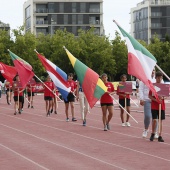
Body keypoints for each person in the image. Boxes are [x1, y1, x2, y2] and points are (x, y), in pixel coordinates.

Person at [139, 69, 158, 138]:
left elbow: (162, 88)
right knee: (147, 116)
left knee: (155, 117)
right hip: (147, 100)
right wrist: (141, 99)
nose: (152, 71)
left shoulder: (158, 79)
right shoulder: (144, 79)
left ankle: (154, 132)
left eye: (154, 70)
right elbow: (141, 89)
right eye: (151, 70)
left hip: (155, 101)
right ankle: (146, 129)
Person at [149, 71, 165, 142]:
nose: (159, 79)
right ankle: (153, 133)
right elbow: (149, 96)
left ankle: (160, 135)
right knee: (155, 120)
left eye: (160, 77)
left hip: (162, 105)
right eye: (158, 77)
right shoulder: (153, 86)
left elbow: (166, 96)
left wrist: (163, 98)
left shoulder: (164, 86)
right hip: (154, 106)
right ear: (155, 78)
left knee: (160, 121)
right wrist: (155, 100)